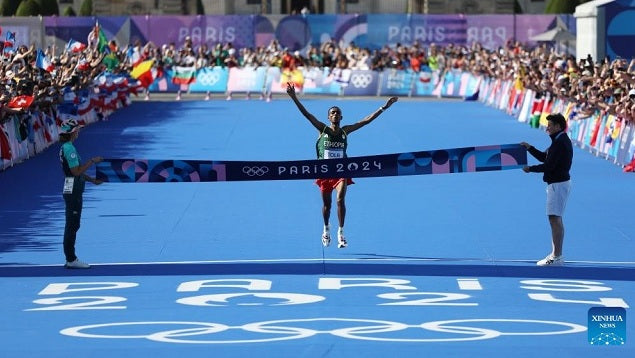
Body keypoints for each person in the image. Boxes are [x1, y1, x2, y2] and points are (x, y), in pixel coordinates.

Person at [286, 82, 398, 248]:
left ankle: (341, 232)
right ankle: (326, 229)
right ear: (329, 117)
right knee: (327, 205)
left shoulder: (346, 131)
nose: (336, 115)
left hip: (341, 171)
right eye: (333, 113)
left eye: (338, 113)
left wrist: (384, 107)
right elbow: (307, 115)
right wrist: (294, 97)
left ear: (341, 117)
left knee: (340, 200)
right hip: (324, 173)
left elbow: (366, 121)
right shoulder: (323, 130)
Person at [521, 113, 573, 266]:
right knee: (555, 218)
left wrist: (530, 169)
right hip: (557, 183)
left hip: (558, 184)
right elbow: (545, 157)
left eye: (549, 125)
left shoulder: (560, 142)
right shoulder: (559, 140)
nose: (547, 127)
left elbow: (548, 165)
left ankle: (557, 256)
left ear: (558, 126)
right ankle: (556, 254)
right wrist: (530, 148)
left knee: (554, 218)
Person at [58, 119, 103, 268]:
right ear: (72, 132)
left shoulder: (67, 147)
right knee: (72, 224)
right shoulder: (69, 148)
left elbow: (77, 173)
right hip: (73, 189)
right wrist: (92, 161)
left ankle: (70, 258)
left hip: (72, 185)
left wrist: (92, 180)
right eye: (77, 129)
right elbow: (76, 171)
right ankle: (71, 259)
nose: (79, 132)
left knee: (73, 224)